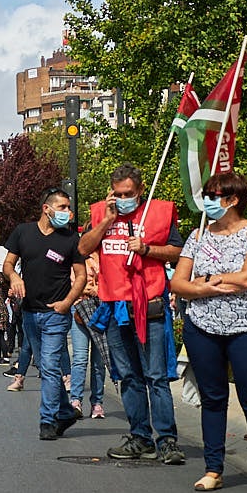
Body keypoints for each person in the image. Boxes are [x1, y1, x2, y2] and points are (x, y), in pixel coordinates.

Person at [170, 172, 247, 493]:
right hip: (203, 327)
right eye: (206, 194)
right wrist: (201, 287)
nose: (208, 201)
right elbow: (177, 283)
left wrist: (205, 281)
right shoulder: (197, 236)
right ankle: (213, 468)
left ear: (233, 199)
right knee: (213, 398)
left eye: (214, 195)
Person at [77, 166, 186, 464]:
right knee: (128, 377)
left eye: (129, 194)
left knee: (156, 377)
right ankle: (140, 437)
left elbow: (178, 251)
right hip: (114, 307)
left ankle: (167, 441)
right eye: (119, 194)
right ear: (112, 191)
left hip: (148, 306)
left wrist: (148, 248)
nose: (124, 198)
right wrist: (108, 220)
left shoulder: (158, 212)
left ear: (140, 190)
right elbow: (83, 248)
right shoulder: (101, 213)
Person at [2, 191, 88, 441]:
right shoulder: (23, 232)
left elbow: (81, 275)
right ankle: (64, 411)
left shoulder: (71, 238)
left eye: (68, 207)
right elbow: (8, 264)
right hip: (29, 313)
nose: (67, 213)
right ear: (46, 209)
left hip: (56, 314)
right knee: (45, 366)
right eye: (62, 207)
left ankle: (48, 420)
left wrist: (67, 303)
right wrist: (15, 277)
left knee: (50, 366)